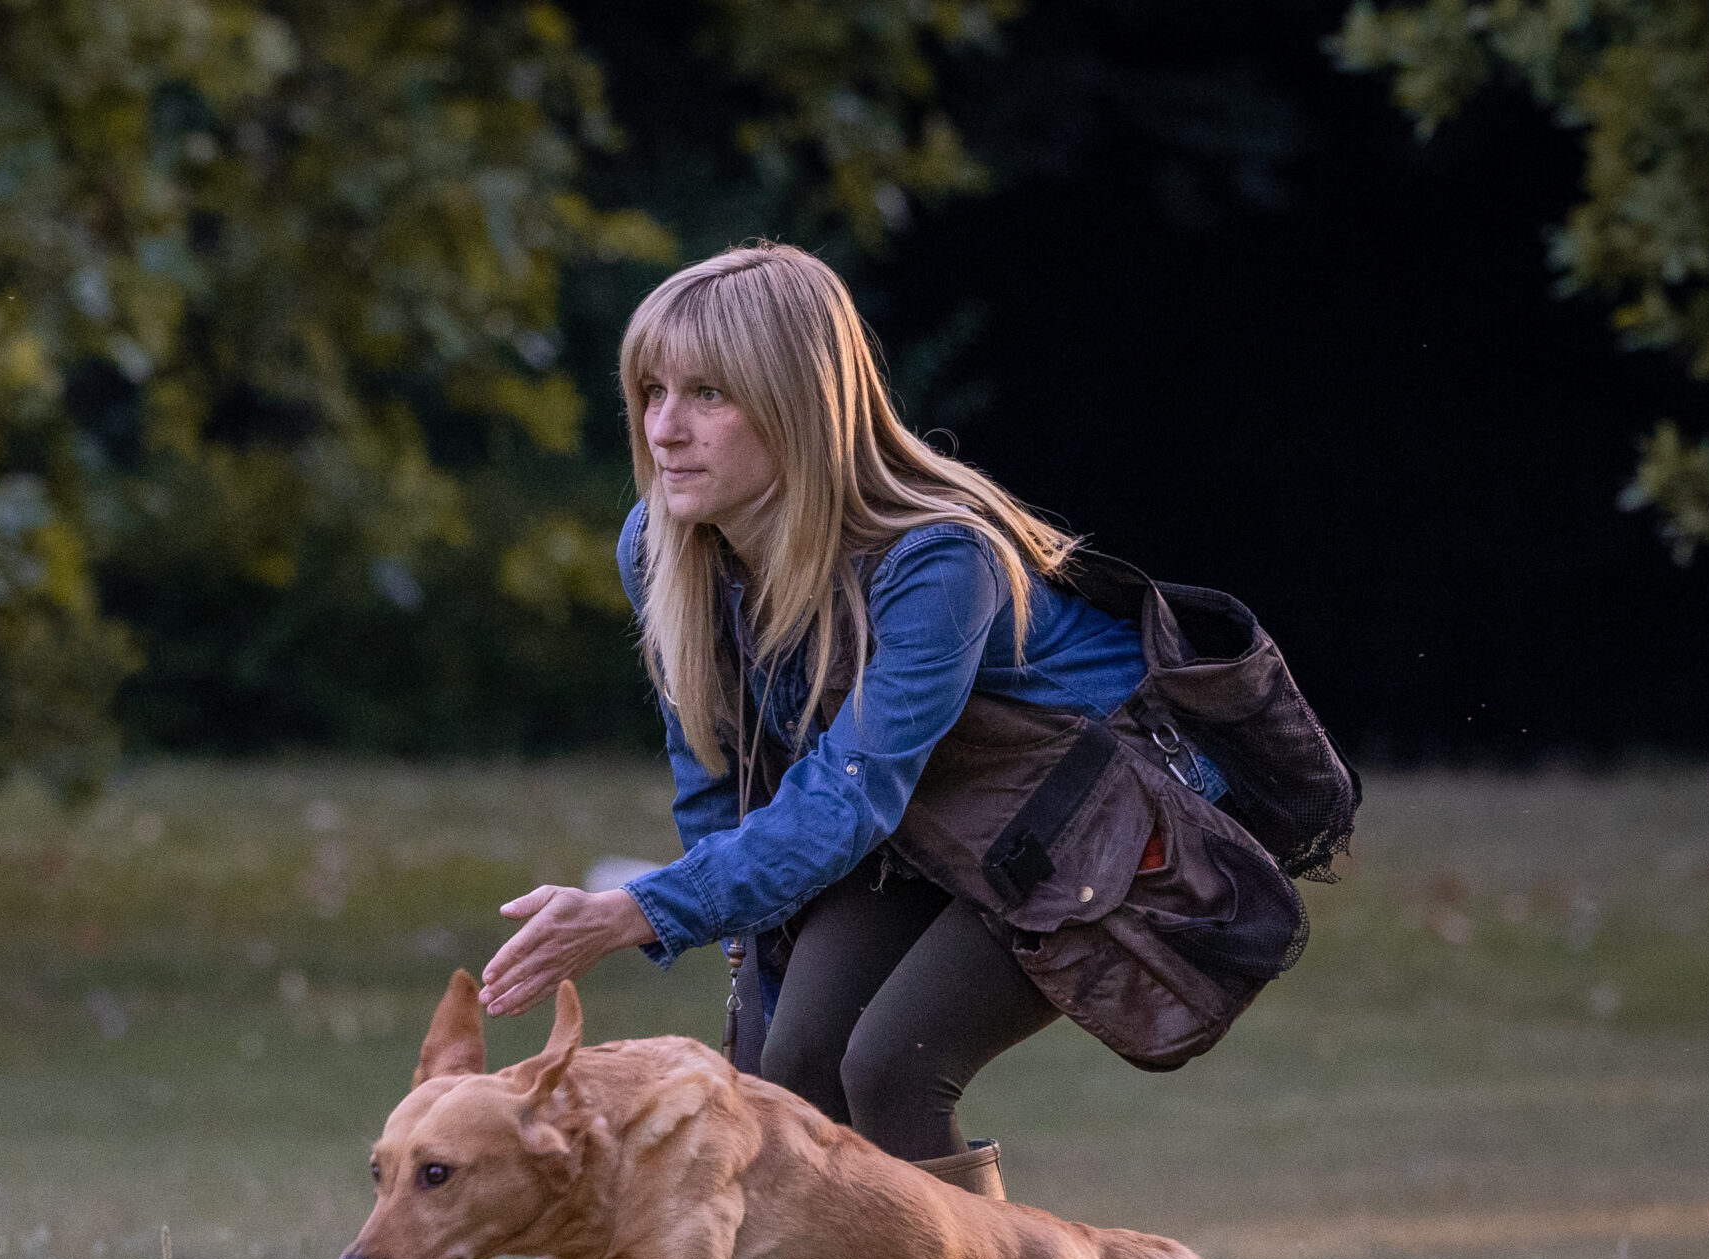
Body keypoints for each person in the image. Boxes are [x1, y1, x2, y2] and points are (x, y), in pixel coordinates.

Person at [476, 242, 1231, 1199]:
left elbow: (851, 797)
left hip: (1100, 825)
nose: (666, 428)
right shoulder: (663, 546)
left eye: (709, 393)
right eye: (650, 392)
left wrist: (642, 908)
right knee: (781, 1074)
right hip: (933, 815)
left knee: (892, 1066)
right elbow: (714, 766)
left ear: (798, 406)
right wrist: (746, 939)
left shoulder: (937, 559)